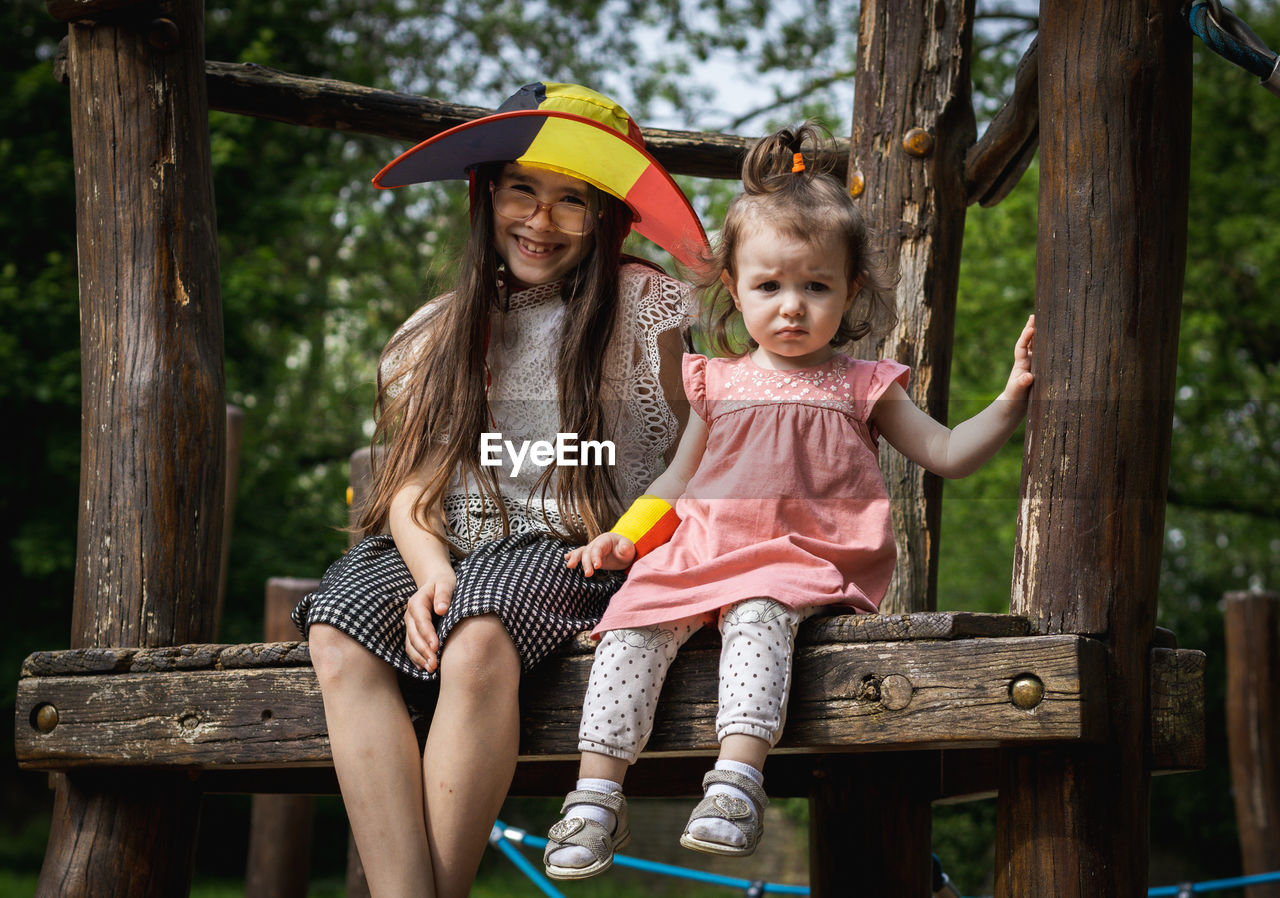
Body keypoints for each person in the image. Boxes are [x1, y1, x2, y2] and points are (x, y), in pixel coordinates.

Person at [542, 122, 1036, 879]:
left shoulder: (861, 384)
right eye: (769, 286)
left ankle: (735, 784)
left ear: (852, 292)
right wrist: (626, 537)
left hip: (797, 561)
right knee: (631, 627)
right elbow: (676, 479)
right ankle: (593, 798)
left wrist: (1008, 400)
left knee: (759, 617)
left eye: (816, 286)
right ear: (735, 291)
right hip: (701, 552)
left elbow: (946, 454)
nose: (793, 307)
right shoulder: (717, 380)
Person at [291, 82, 708, 898]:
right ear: (487, 194)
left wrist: (640, 542)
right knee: (338, 626)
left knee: (477, 632)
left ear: (607, 215)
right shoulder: (434, 331)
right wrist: (427, 571)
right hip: (445, 543)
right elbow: (411, 487)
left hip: (576, 548)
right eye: (523, 189)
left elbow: (692, 455)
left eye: (572, 202)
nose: (540, 222)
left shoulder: (643, 306)